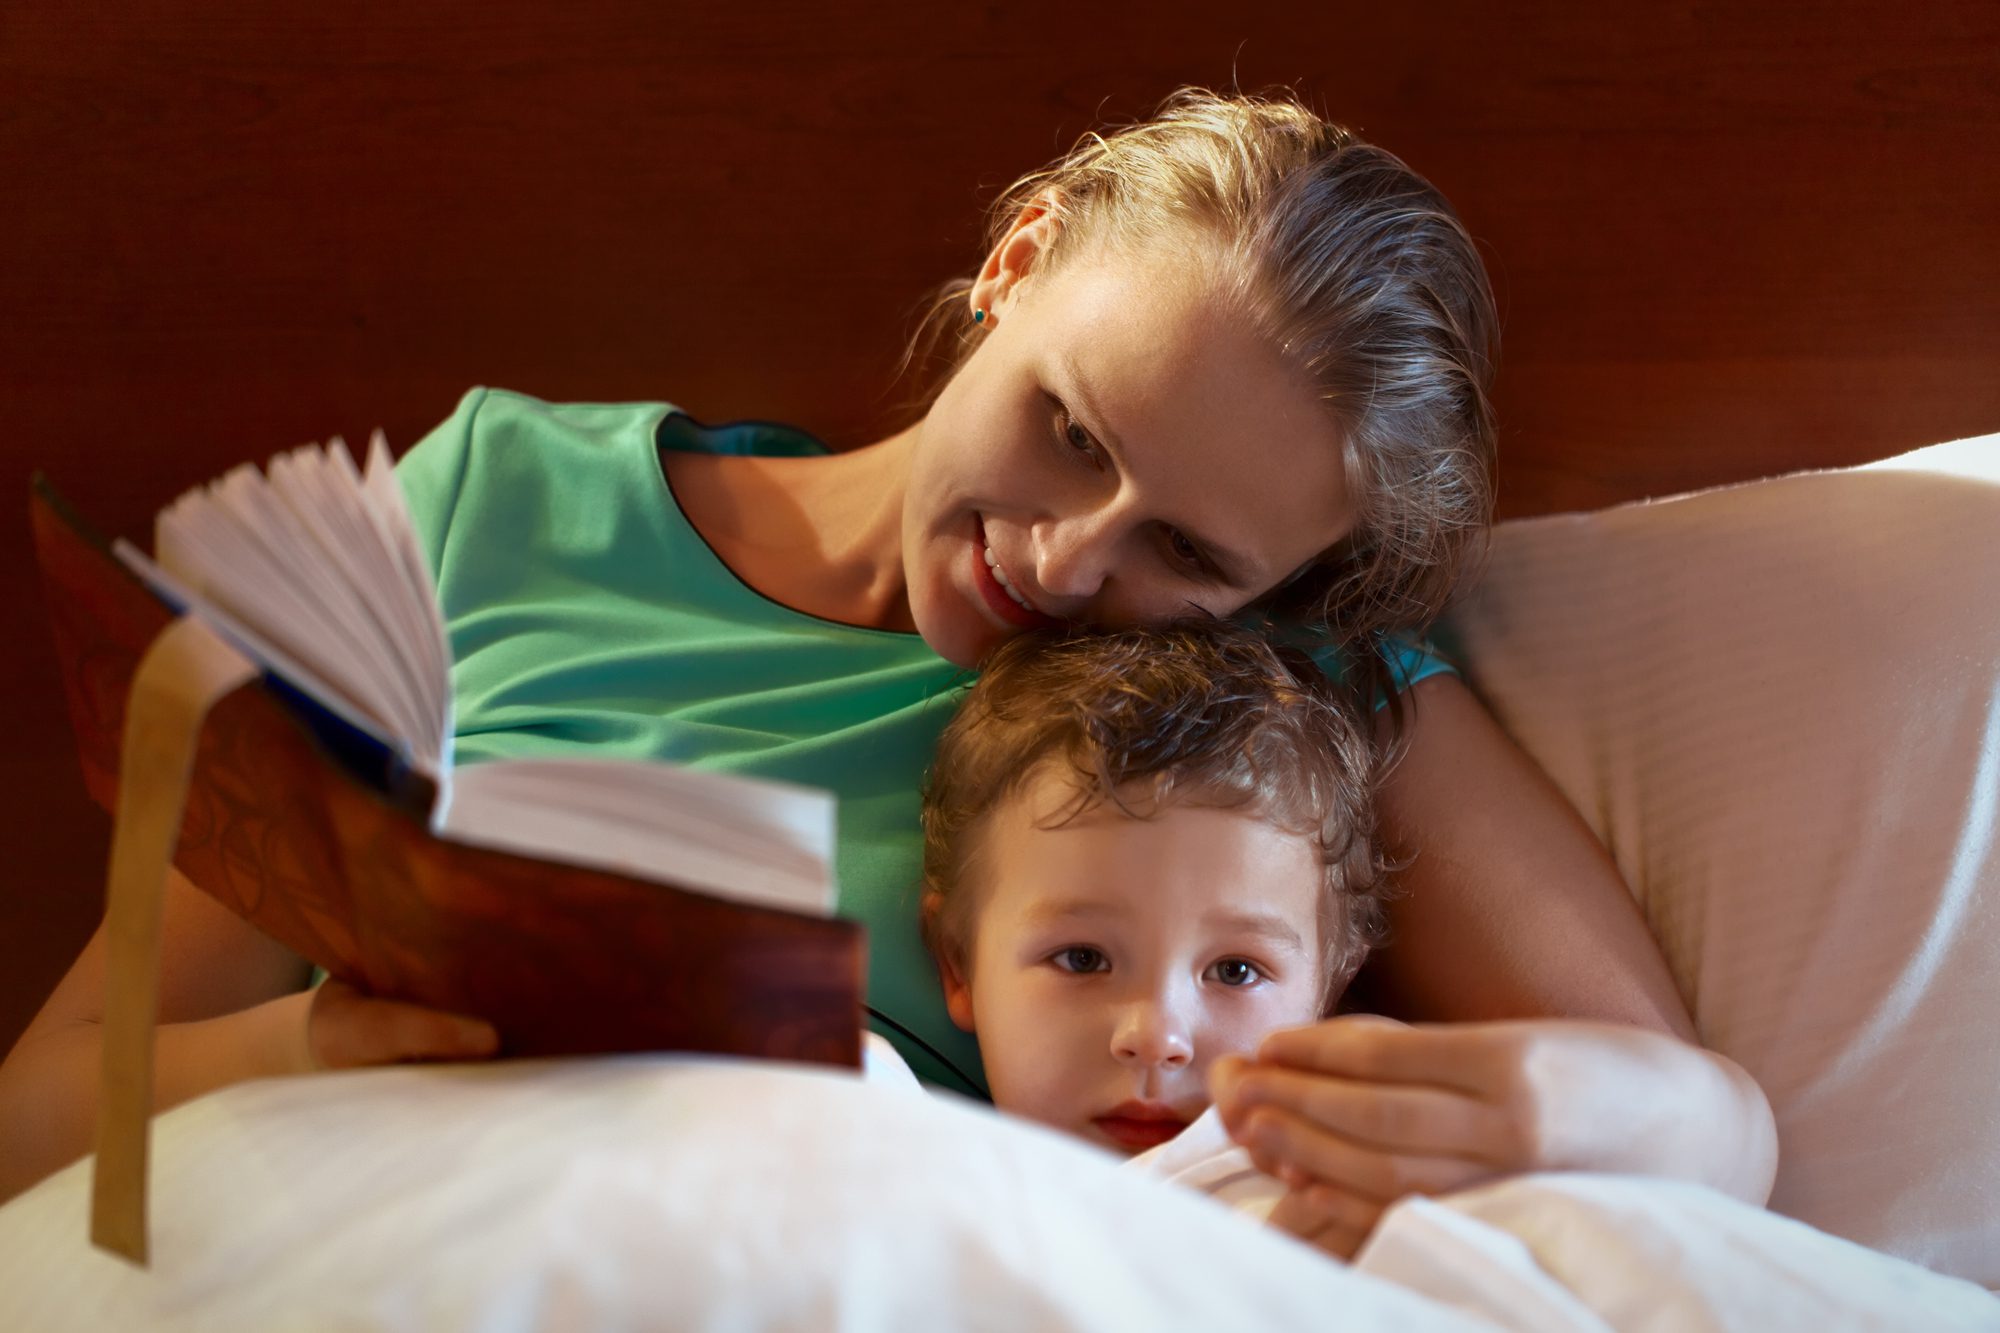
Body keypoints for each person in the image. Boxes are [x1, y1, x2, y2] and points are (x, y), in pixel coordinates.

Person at [0, 88, 1775, 1217]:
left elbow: (1721, 1131)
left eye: (1187, 548)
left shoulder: (1264, 696)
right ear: (1015, 265)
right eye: (1073, 429)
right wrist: (326, 1046)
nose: (1064, 559)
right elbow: (43, 1109)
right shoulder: (493, 502)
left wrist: (1546, 1095)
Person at [910, 620, 1398, 1257]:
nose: (1156, 1038)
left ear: (1329, 990)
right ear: (959, 966)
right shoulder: (894, 1152)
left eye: (1235, 971)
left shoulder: (1362, 1188)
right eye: (1083, 959)